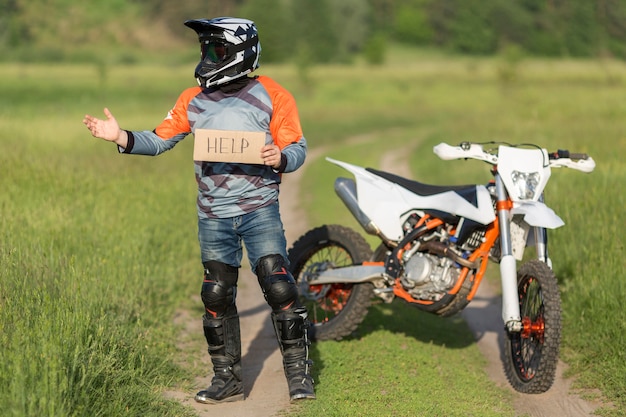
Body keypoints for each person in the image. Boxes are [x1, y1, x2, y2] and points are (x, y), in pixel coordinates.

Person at [82, 17, 315, 404]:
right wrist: (120, 137)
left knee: (278, 285)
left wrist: (281, 157)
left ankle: (299, 377)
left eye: (216, 50)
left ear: (241, 53)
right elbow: (159, 141)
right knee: (216, 293)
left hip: (260, 209)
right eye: (206, 50)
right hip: (212, 215)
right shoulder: (193, 98)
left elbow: (298, 147)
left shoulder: (274, 95)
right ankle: (227, 379)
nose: (207, 57)